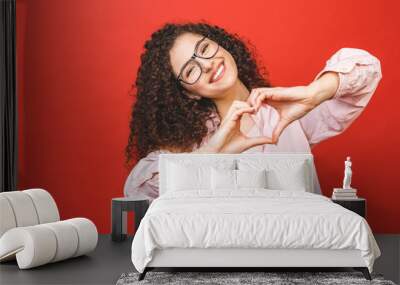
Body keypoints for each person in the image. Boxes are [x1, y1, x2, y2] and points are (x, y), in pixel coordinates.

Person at [123, 22, 382, 202]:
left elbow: (367, 68)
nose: (208, 65)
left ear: (222, 45)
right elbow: (136, 188)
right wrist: (211, 154)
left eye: (204, 49)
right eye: (191, 70)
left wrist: (313, 94)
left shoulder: (288, 113)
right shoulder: (192, 142)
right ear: (190, 92)